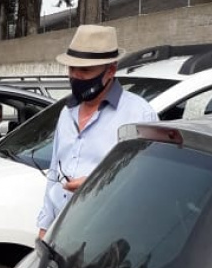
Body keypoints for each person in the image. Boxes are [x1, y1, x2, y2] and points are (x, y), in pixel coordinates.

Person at [37, 25, 158, 239]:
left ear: (110, 70)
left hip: (106, 238)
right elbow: (54, 174)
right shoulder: (67, 112)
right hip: (60, 234)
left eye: (85, 70)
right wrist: (44, 229)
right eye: (72, 69)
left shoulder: (139, 115)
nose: (75, 76)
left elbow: (146, 184)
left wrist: (98, 184)